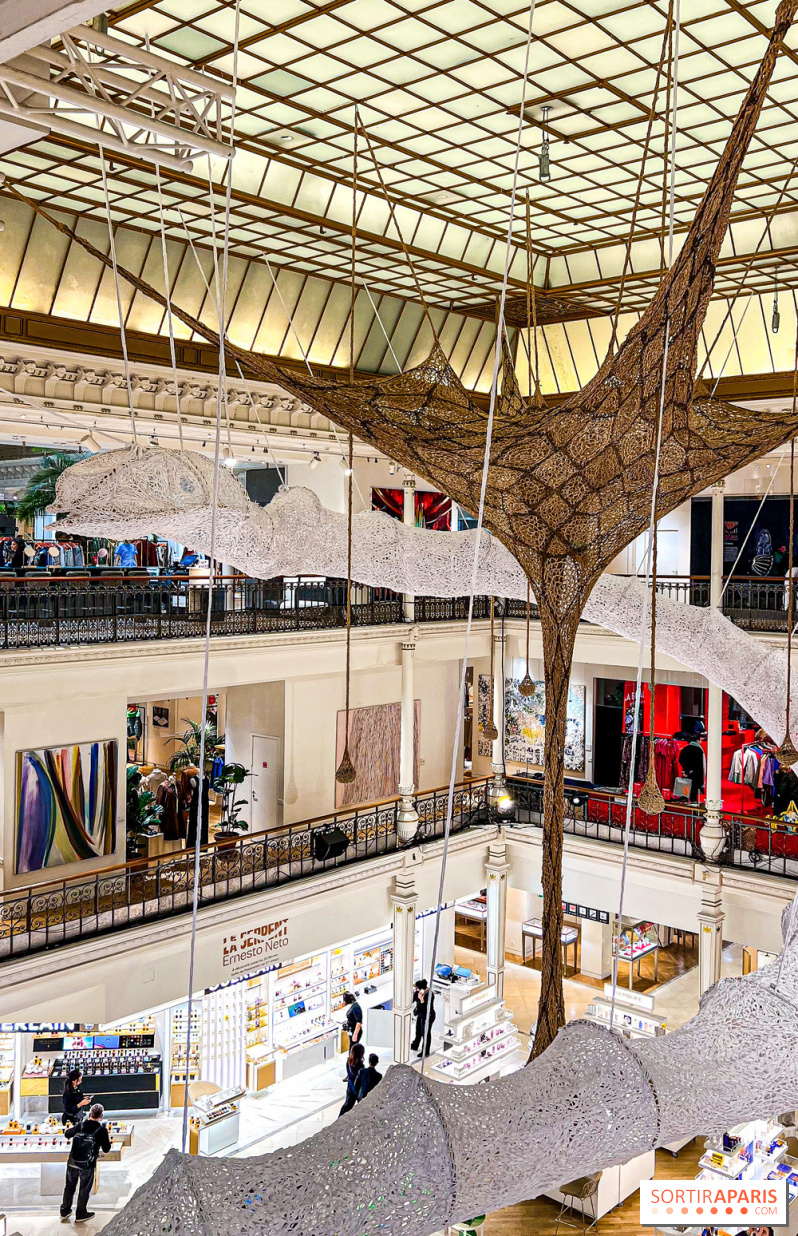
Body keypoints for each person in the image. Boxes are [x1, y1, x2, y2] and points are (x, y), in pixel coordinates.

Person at [60, 1102, 111, 1223]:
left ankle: (65, 1211)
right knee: (84, 1189)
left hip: (73, 1162)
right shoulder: (101, 1130)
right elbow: (106, 1149)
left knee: (69, 1187)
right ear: (101, 1116)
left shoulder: (81, 1125)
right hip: (87, 1165)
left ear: (90, 1114)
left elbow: (67, 1134)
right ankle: (81, 1213)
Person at [411, 979, 436, 1059]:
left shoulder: (430, 995)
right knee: (418, 1031)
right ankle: (415, 1045)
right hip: (420, 1014)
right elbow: (413, 1000)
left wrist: (422, 1000)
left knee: (425, 1033)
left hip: (428, 1015)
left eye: (417, 988)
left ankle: (425, 1051)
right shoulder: (417, 993)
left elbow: (427, 1008)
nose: (416, 990)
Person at [339, 1042, 365, 1116]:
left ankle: (340, 1118)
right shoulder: (360, 1065)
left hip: (350, 1086)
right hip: (357, 1088)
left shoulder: (349, 1061)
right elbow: (359, 1078)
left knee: (347, 1105)